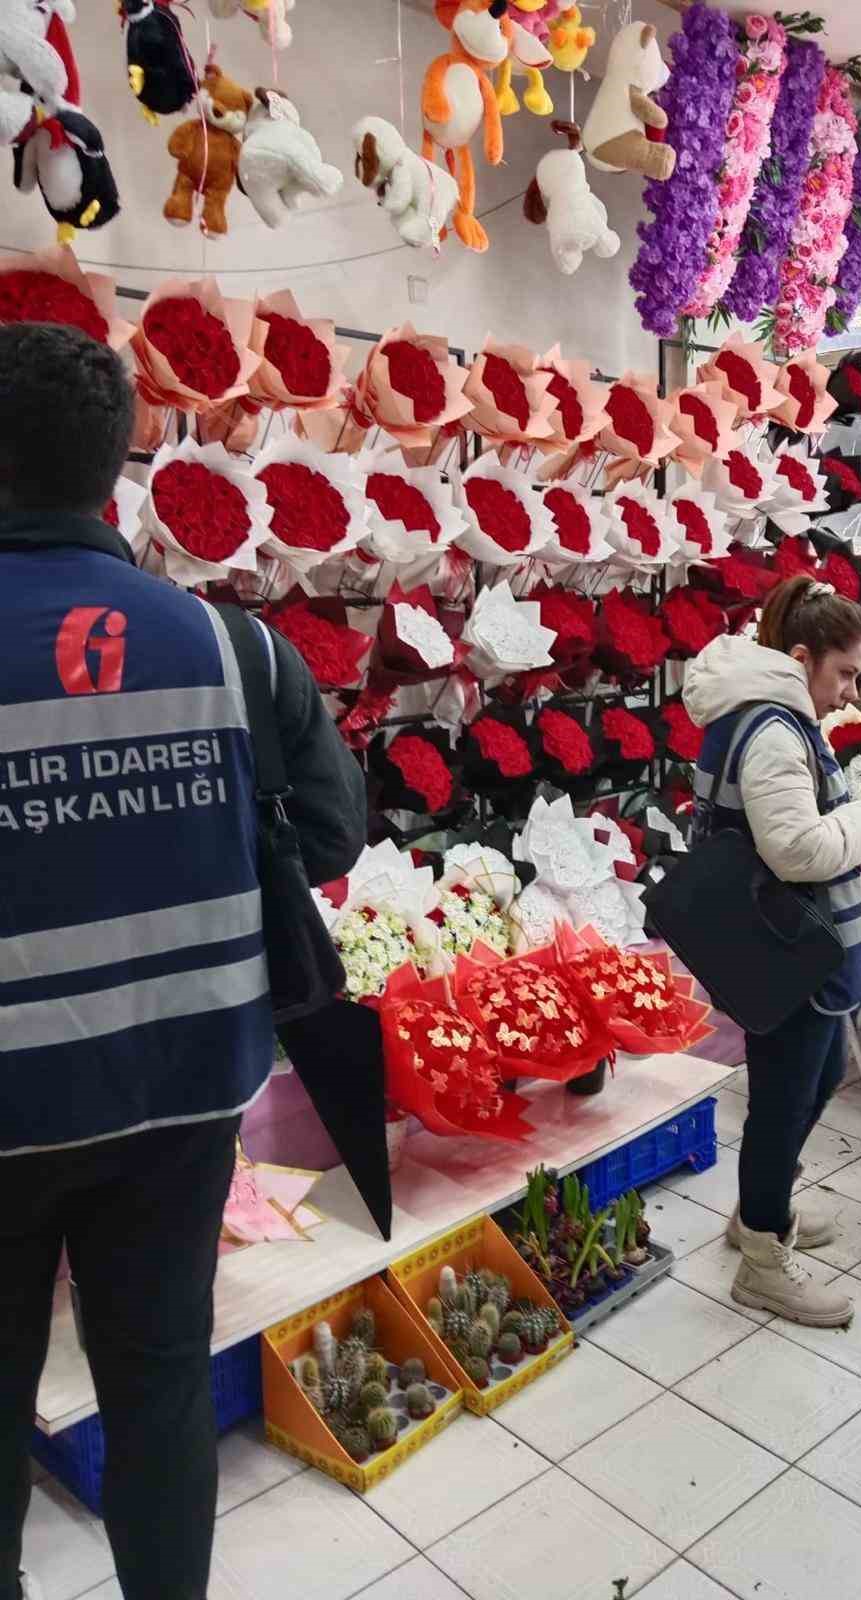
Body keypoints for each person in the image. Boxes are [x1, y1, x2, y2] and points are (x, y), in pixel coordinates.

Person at [0, 323, 367, 1600]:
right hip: (181, 1092)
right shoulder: (238, 648)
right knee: (156, 1386)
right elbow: (330, 829)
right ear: (121, 470)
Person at [683, 576, 861, 1328]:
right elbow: (798, 849)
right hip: (788, 949)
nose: (851, 692)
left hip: (791, 944)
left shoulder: (770, 715)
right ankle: (763, 1264)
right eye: (843, 673)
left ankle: (757, 1212)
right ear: (800, 657)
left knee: (820, 1072)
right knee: (782, 1099)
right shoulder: (772, 729)